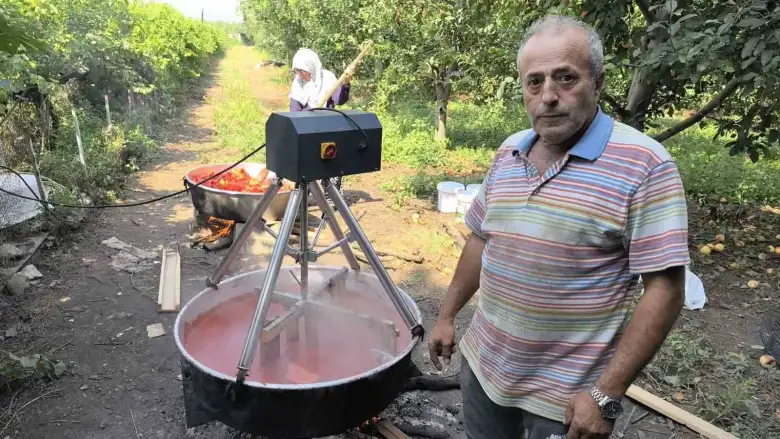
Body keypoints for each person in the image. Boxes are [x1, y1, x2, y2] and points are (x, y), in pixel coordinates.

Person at [427, 15, 690, 439]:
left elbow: (666, 289)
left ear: (598, 83)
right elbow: (480, 238)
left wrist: (606, 395)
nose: (547, 96)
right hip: (483, 368)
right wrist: (446, 315)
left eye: (565, 78)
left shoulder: (645, 165)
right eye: (534, 82)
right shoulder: (510, 151)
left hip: (565, 401)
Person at [287, 48, 352, 234]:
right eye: (298, 71)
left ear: (313, 67)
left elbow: (339, 100)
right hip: (308, 129)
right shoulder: (298, 83)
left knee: (330, 164)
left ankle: (332, 201)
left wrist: (345, 82)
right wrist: (301, 124)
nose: (301, 74)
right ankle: (303, 197)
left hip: (327, 126)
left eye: (304, 71)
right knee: (306, 164)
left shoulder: (328, 78)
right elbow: (294, 108)